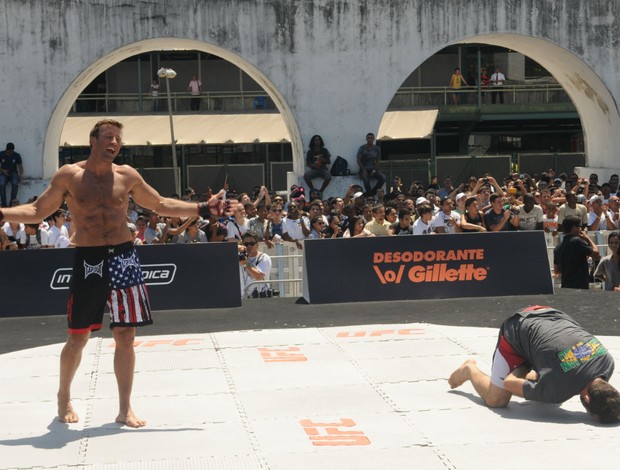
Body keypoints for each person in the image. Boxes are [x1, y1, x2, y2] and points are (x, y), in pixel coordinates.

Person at [0, 119, 217, 428]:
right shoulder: (70, 176)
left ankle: (124, 408)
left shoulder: (126, 175)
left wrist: (202, 209)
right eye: (108, 137)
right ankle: (64, 396)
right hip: (89, 258)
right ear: (93, 140)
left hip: (124, 257)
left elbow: (160, 203)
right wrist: (2, 213)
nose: (114, 142)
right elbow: (37, 211)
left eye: (118, 138)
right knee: (78, 337)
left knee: (126, 335)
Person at [448, 305, 620, 423]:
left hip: (550, 313)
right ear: (587, 399)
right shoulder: (557, 390)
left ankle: (535, 364)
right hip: (516, 329)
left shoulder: (607, 362)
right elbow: (509, 382)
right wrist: (525, 366)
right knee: (497, 400)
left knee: (548, 389)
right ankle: (469, 369)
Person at [554, 215, 599, 289]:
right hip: (579, 288)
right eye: (579, 227)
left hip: (565, 287)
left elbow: (557, 271)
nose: (580, 229)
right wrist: (587, 238)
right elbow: (597, 254)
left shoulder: (557, 247)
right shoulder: (577, 241)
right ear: (573, 227)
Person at [238, 231, 272, 299]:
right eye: (246, 244)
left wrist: (245, 264)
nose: (249, 246)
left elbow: (258, 276)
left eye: (252, 243)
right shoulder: (239, 257)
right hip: (242, 297)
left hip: (259, 297)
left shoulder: (264, 258)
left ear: (257, 244)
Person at [0, 143, 23, 207]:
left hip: (13, 173)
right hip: (4, 173)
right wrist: (2, 170)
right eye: (9, 151)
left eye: (12, 151)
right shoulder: (1, 154)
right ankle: (3, 204)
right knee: (1, 183)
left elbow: (20, 166)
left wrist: (21, 177)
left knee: (15, 183)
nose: (10, 153)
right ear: (6, 149)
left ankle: (12, 203)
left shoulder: (17, 155)